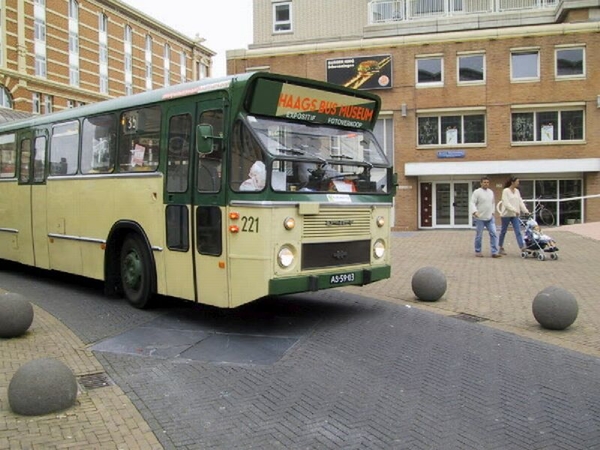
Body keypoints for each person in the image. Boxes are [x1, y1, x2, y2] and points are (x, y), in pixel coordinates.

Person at [470, 176, 501, 258]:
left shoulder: (491, 192)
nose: (486, 184)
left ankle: (494, 252)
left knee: (494, 233)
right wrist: (475, 212)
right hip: (480, 218)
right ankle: (478, 251)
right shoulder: (477, 192)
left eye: (487, 182)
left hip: (490, 218)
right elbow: (472, 202)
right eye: (484, 182)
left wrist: (493, 212)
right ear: (481, 183)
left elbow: (493, 203)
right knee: (479, 235)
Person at [498, 176, 530, 255]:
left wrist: (526, 211)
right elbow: (506, 203)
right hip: (506, 215)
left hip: (515, 215)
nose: (518, 183)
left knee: (518, 231)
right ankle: (500, 246)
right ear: (512, 182)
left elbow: (520, 202)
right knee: (503, 231)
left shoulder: (517, 191)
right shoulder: (505, 191)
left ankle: (522, 247)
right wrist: (514, 210)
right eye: (517, 181)